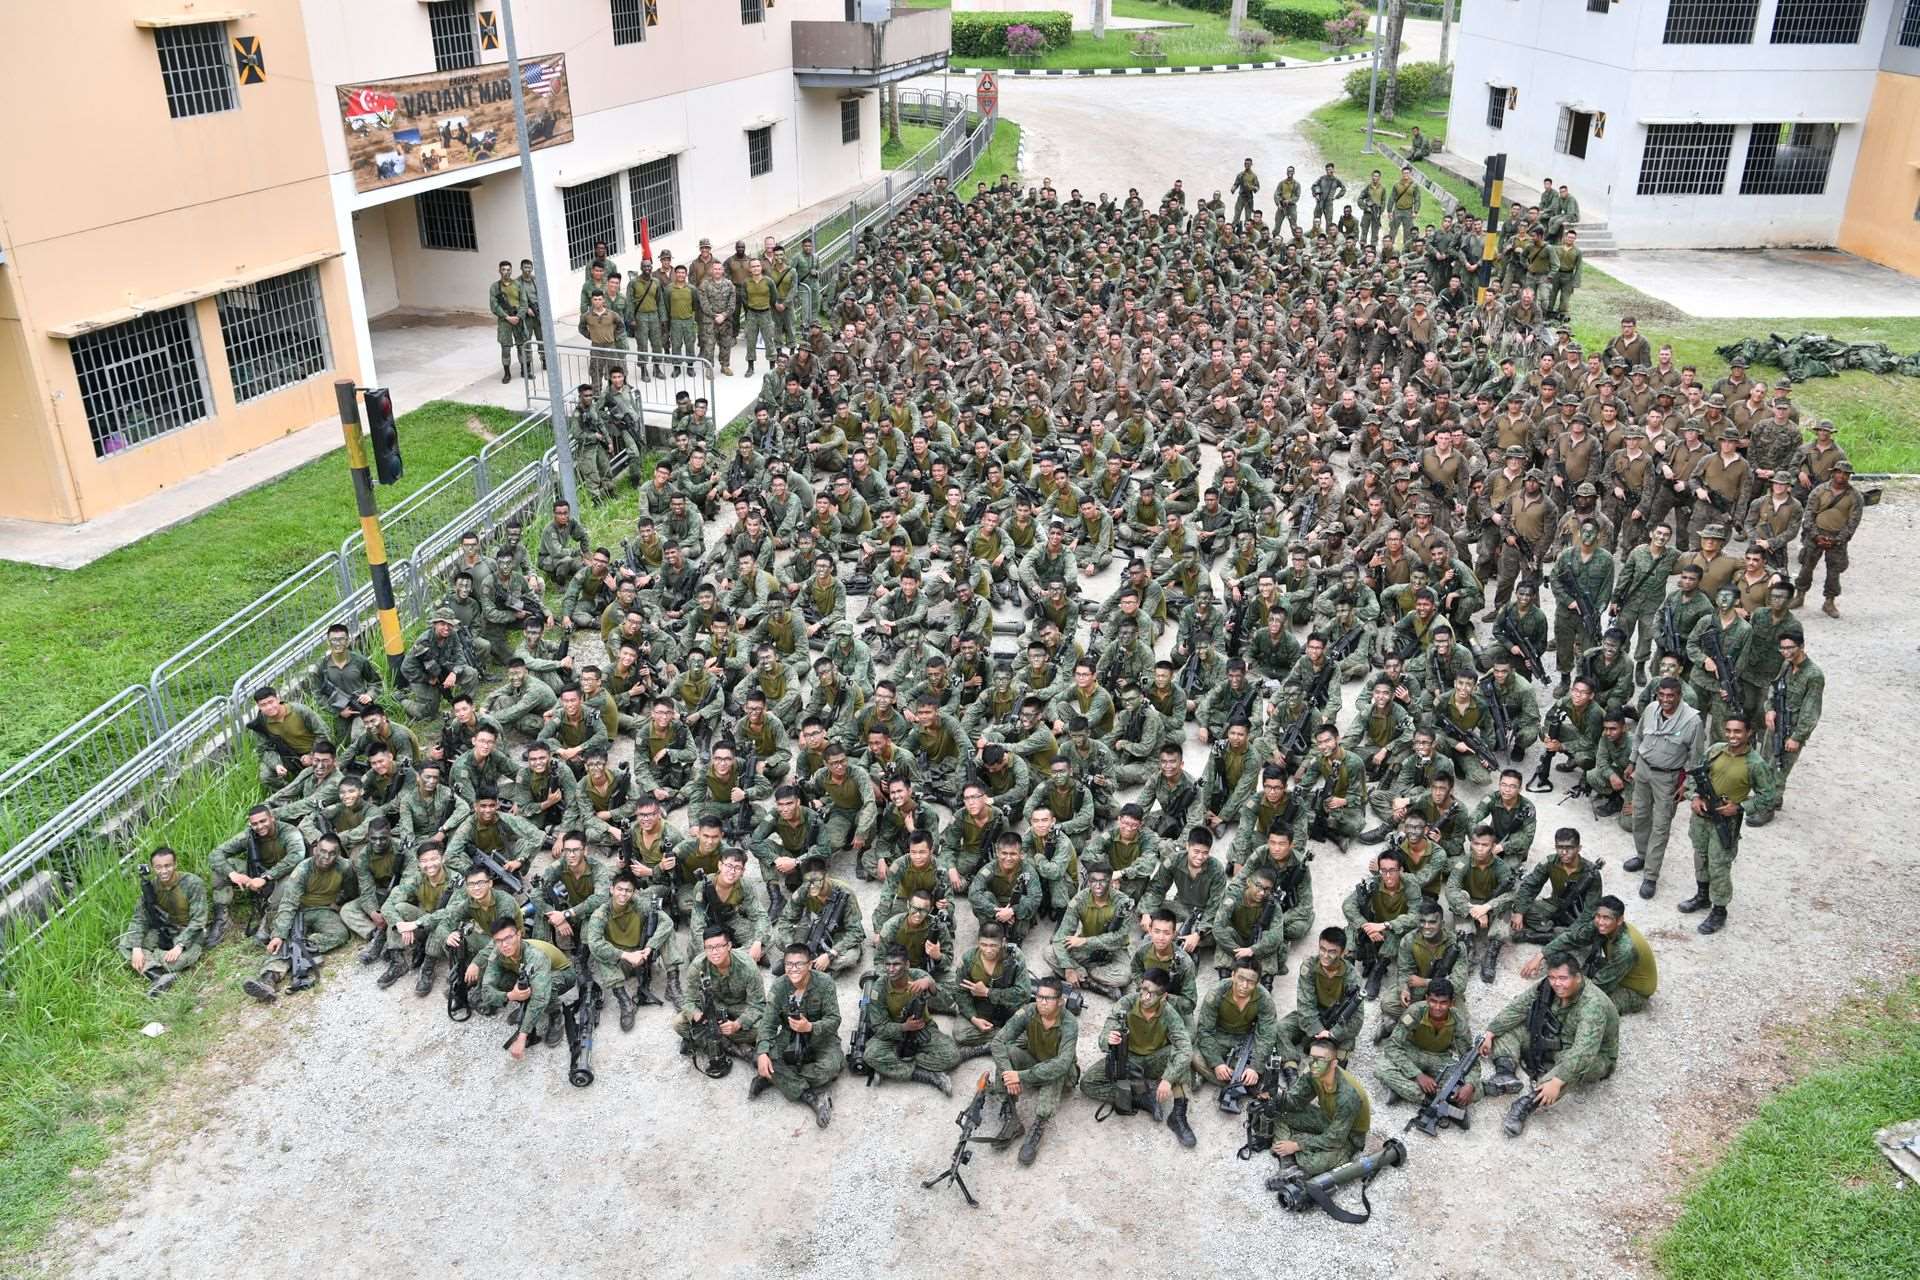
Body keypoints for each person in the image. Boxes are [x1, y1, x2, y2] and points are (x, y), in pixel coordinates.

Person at [1480, 955, 1620, 1138]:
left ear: (1578, 977)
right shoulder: (1548, 986)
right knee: (1507, 1032)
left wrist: (1558, 1081)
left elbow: (1584, 1052)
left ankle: (1526, 1104)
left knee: (1573, 1068)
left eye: (1563, 978)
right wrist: (1491, 1032)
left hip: (1589, 1054)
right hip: (1553, 1036)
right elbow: (1519, 1007)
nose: (1557, 983)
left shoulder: (1593, 1005)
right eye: (1552, 977)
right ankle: (1505, 1072)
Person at [1679, 715, 1780, 935]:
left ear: (1749, 733)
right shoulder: (1715, 750)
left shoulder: (1755, 764)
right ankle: (1702, 895)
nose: (1732, 736)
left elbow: (1769, 796)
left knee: (1719, 865)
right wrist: (1694, 796)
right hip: (1701, 817)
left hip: (1725, 822)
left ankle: (1719, 910)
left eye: (1738, 731)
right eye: (1729, 731)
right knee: (1701, 856)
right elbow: (1695, 775)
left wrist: (1740, 807)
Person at [1079, 967, 1197, 1147]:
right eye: (1143, 990)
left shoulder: (1169, 1013)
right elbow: (1104, 1036)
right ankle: (1139, 1097)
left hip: (1156, 1058)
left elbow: (1185, 1048)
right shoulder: (1126, 1004)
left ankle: (1178, 1114)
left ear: (1163, 996)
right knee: (1088, 1083)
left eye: (1152, 993)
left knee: (1180, 1057)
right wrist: (1109, 1040)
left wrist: (1168, 1079)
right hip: (1128, 1058)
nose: (1145, 997)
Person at [244, 834, 354, 1004]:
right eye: (322, 851)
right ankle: (268, 980)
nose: (326, 857)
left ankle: (304, 948)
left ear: (338, 854)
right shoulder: (303, 870)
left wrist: (339, 903)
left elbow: (351, 890)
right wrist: (278, 935)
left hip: (323, 910)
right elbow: (289, 903)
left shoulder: (345, 867)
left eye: (332, 853)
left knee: (340, 934)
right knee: (286, 940)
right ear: (315, 850)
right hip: (300, 909)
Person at [984, 976, 1081, 1165]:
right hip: (1034, 1060)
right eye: (1039, 997)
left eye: (1048, 998)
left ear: (1060, 1001)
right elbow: (998, 1042)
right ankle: (1011, 1117)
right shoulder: (1029, 1011)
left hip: (1062, 1075)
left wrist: (1019, 1076)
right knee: (1008, 1052)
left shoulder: (1069, 1023)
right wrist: (1009, 1076)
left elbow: (1062, 1063)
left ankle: (1039, 1124)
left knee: (1055, 1069)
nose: (1042, 1002)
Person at [1623, 676, 1705, 898]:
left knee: (1660, 827)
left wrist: (1687, 784)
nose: (1665, 700)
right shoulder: (1651, 709)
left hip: (1668, 778)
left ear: (1679, 696)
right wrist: (1632, 762)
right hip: (1643, 770)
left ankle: (1651, 875)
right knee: (1639, 816)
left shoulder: (1692, 721)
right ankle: (1642, 856)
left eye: (1670, 696)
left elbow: (1696, 758)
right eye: (1661, 695)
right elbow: (1639, 737)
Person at [1262, 1033, 1372, 1187]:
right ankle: (1288, 1165)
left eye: (1320, 1060)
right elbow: (1296, 1101)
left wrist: (1297, 1144)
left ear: (1334, 1063)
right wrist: (1275, 1095)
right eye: (1312, 1058)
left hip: (1349, 1136)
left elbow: (1335, 1138)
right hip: (1328, 1118)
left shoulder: (1348, 1095)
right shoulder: (1314, 1073)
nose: (1313, 1064)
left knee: (1311, 1164)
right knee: (1278, 1112)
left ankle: (1293, 1158)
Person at [754, 943, 844, 1128]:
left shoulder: (825, 983)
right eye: (789, 964)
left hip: (821, 1036)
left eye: (799, 964)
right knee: (765, 1059)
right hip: (790, 1035)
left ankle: (778, 1079)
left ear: (810, 964)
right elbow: (768, 1023)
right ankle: (812, 1097)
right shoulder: (779, 986)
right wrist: (762, 1052)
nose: (793, 969)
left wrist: (810, 1026)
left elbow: (834, 1020)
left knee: (830, 1068)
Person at [473, 914, 578, 1062]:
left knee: (543, 989)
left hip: (562, 973)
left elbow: (540, 997)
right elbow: (486, 991)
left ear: (518, 935)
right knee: (505, 980)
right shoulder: (498, 953)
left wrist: (522, 1036)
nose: (504, 945)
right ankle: (526, 1005)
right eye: (498, 940)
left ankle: (556, 1015)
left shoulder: (535, 955)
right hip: (529, 974)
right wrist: (511, 996)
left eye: (508, 938)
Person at [858, 945, 961, 1094]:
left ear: (907, 964)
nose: (891, 969)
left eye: (896, 964)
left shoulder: (919, 976)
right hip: (893, 1033)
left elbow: (945, 1002)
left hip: (922, 1028)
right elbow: (879, 1027)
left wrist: (931, 985)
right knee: (871, 1055)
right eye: (888, 964)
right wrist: (904, 1027)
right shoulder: (878, 989)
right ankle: (928, 1076)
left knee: (952, 1056)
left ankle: (891, 1065)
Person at [1375, 977, 1479, 1113]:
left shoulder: (1458, 1020)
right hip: (1412, 1052)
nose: (1437, 1007)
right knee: (1381, 1069)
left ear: (1452, 1003)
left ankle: (1403, 1090)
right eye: (1433, 1001)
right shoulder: (1415, 1011)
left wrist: (1470, 1085)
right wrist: (1418, 1075)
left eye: (1443, 1003)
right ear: (1427, 999)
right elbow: (1392, 1046)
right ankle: (1428, 1101)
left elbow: (1469, 1056)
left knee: (1472, 1090)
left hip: (1440, 1059)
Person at [117, 847, 208, 997]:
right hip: (164, 929)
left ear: (175, 864)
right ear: (153, 868)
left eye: (168, 866)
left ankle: (152, 965)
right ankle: (158, 976)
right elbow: (139, 918)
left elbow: (199, 920)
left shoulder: (192, 883)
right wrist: (137, 948)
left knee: (177, 961)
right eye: (158, 867)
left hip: (189, 932)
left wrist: (179, 946)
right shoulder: (150, 888)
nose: (163, 871)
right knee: (126, 945)